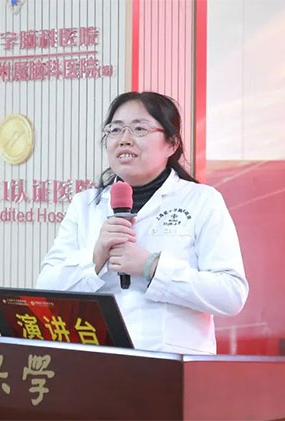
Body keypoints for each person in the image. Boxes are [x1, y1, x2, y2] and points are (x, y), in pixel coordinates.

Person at [37, 91, 248, 354]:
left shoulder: (202, 200)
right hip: (96, 360)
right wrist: (96, 257)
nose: (124, 139)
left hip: (169, 363)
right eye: (115, 130)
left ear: (171, 144)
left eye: (139, 129)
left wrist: (152, 266)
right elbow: (46, 289)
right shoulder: (85, 204)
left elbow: (231, 295)